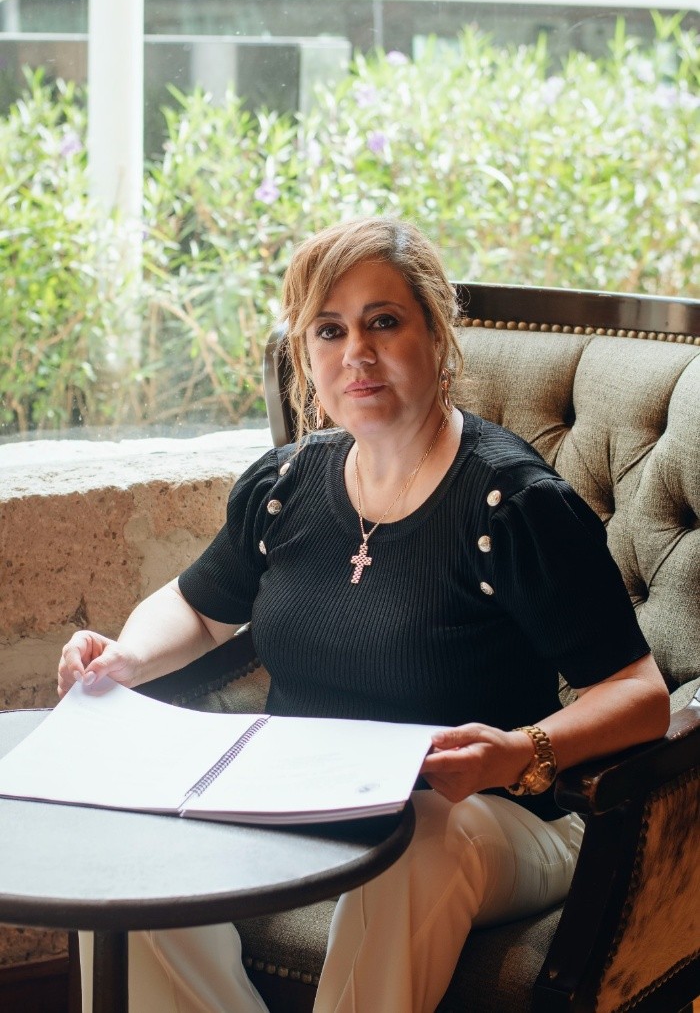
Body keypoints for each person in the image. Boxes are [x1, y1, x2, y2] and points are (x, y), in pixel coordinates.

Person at [58, 216, 670, 1013]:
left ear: (436, 334)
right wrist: (128, 658)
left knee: (420, 839)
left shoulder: (513, 506)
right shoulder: (283, 488)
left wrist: (519, 752)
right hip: (302, 805)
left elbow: (640, 693)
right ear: (306, 353)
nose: (357, 352)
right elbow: (197, 609)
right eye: (330, 329)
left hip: (496, 819)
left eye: (383, 321)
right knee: (123, 840)